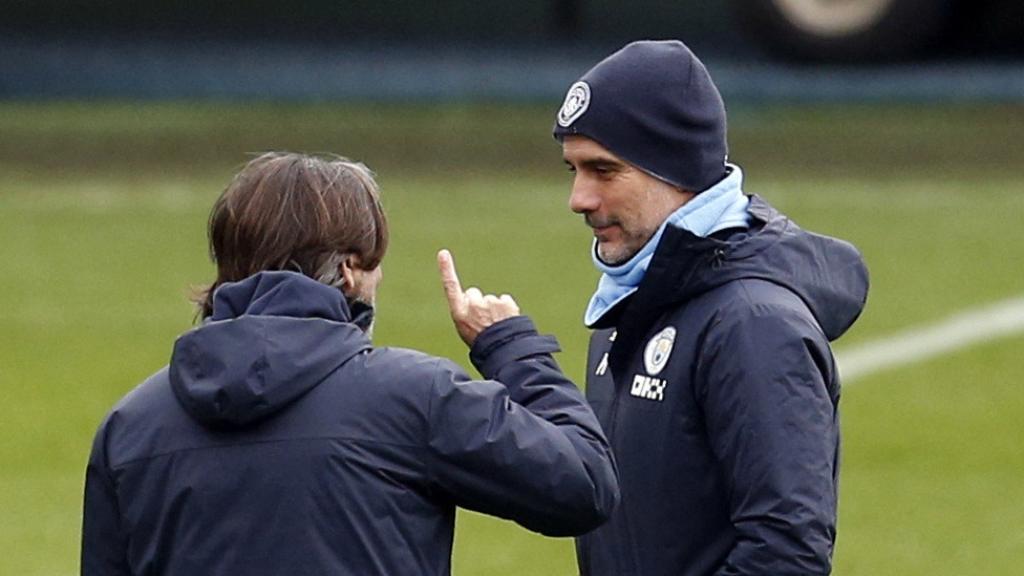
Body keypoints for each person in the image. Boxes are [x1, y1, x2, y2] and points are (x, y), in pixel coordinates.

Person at [80, 152, 619, 575]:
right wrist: (508, 346)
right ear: (351, 269)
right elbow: (584, 483)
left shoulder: (130, 428)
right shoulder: (413, 398)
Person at [553, 40, 869, 575]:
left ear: (674, 169)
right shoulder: (630, 303)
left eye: (603, 171)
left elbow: (786, 554)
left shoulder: (753, 324)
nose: (579, 198)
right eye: (573, 171)